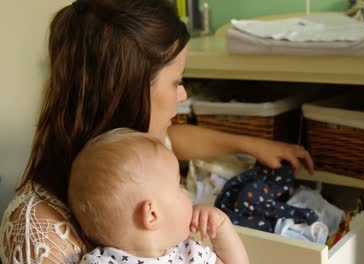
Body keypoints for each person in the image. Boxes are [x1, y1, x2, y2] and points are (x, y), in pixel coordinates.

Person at [0, 0, 314, 263]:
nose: (184, 96)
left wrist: (250, 144)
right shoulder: (40, 231)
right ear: (129, 93)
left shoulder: (129, 157)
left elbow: (173, 141)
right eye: (177, 82)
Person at [69, 128, 248, 264]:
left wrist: (221, 227)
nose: (186, 192)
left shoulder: (189, 252)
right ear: (152, 214)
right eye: (178, 186)